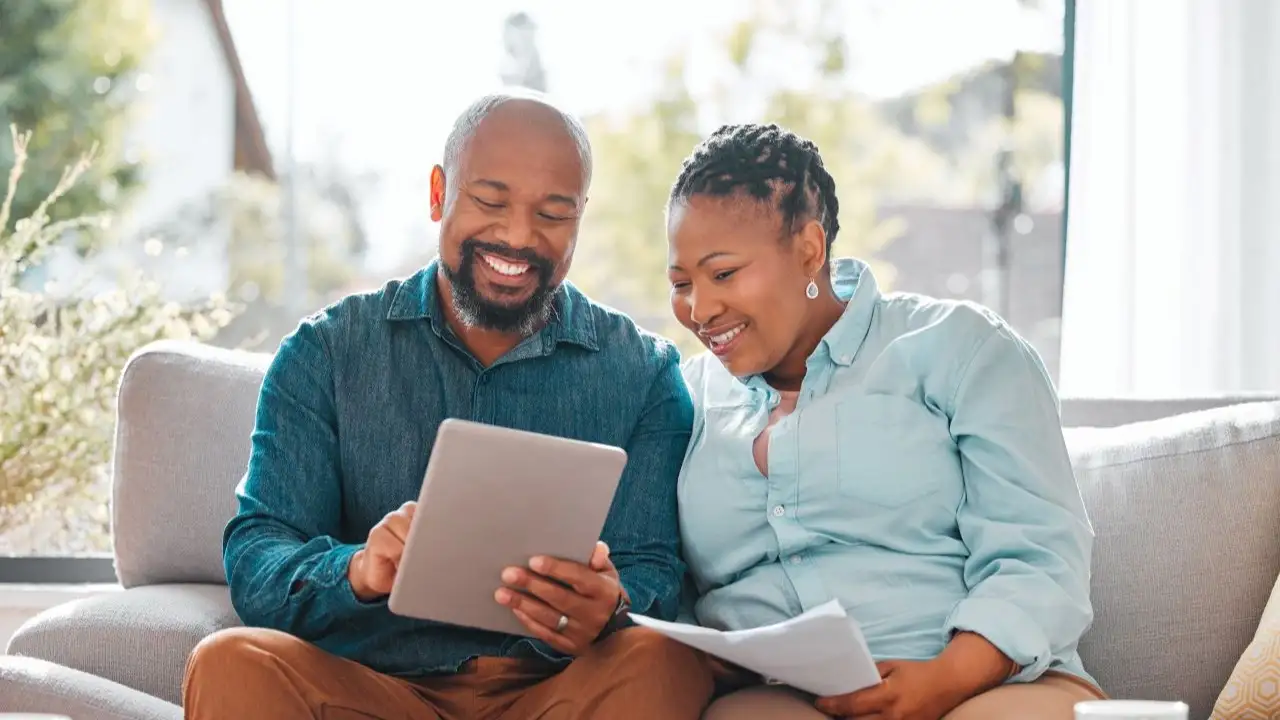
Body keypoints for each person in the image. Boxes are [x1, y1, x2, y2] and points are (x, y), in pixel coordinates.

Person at [182, 92, 714, 720]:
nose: (518, 236)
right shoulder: (326, 352)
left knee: (667, 665)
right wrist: (356, 570)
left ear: (580, 219)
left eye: (553, 213)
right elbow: (259, 551)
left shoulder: (644, 373)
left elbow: (653, 568)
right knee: (231, 662)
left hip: (556, 693)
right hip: (371, 686)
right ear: (439, 194)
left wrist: (612, 605)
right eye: (490, 202)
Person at [665, 123, 1104, 720]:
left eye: (722, 274)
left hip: (986, 686)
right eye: (681, 283)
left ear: (809, 251)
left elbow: (1042, 556)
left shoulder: (960, 348)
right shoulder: (685, 397)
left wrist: (944, 680)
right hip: (787, 696)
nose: (700, 309)